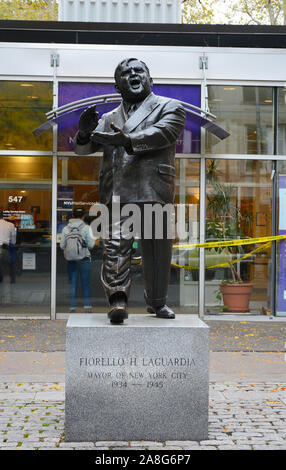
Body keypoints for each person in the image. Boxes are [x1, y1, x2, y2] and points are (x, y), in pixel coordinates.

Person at [74, 58, 186, 324]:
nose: (133, 75)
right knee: (114, 248)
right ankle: (117, 300)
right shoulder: (109, 118)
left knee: (158, 252)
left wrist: (127, 140)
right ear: (117, 86)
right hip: (117, 192)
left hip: (154, 190)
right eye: (126, 73)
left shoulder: (170, 107)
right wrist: (83, 133)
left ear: (150, 78)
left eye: (139, 71)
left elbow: (164, 133)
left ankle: (157, 302)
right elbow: (83, 149)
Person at [60, 207, 95, 313]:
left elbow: (62, 246)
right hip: (84, 259)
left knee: (73, 284)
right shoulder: (86, 228)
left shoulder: (66, 229)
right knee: (85, 283)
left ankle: (72, 308)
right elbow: (91, 245)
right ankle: (87, 307)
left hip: (71, 260)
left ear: (73, 216)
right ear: (83, 216)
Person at [0, 210, 17, 283]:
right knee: (11, 263)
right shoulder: (10, 225)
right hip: (5, 248)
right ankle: (12, 279)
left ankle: (0, 278)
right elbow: (13, 240)